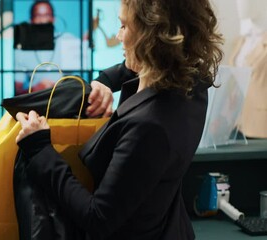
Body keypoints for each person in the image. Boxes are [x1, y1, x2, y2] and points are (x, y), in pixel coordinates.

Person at [15, 0, 223, 239]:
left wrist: (40, 149)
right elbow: (138, 67)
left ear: (151, 36)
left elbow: (98, 217)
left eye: (124, 26)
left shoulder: (149, 126)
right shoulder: (193, 87)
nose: (118, 35)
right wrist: (105, 81)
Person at [14, 0, 86, 95]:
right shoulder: (22, 50)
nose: (43, 20)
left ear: (53, 18)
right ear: (31, 20)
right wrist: (35, 89)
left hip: (66, 99)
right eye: (38, 15)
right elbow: (17, 91)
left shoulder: (67, 39)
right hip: (37, 101)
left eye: (47, 15)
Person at [228, 0, 267, 138]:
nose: (240, 5)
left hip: (261, 123)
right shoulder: (240, 41)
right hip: (235, 123)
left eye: (246, 1)